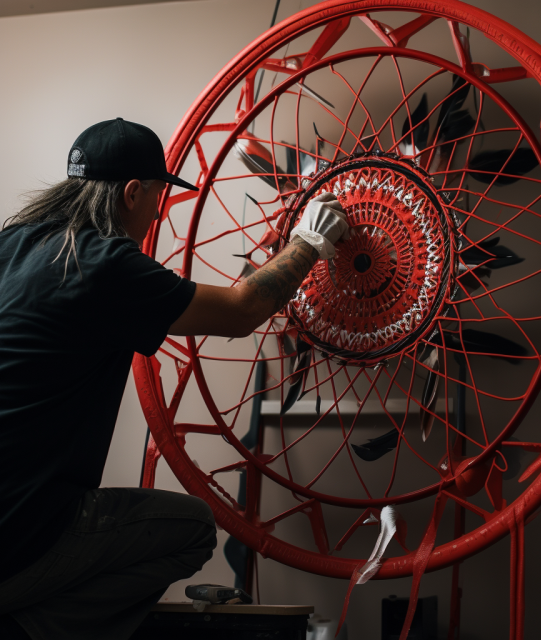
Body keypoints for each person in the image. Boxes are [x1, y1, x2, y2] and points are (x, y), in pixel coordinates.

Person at [0, 118, 348, 640]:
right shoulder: (101, 263)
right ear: (133, 192)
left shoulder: (10, 246)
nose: (157, 212)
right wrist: (308, 242)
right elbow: (240, 311)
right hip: (17, 537)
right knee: (191, 529)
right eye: (159, 198)